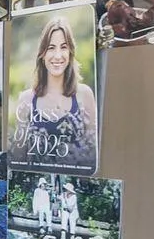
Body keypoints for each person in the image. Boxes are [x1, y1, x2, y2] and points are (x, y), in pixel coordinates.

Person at [11, 15, 99, 172]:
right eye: (51, 48)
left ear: (71, 52)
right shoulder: (26, 100)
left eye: (64, 47)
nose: (58, 55)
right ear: (42, 54)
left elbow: (92, 156)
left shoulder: (84, 95)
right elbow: (18, 161)